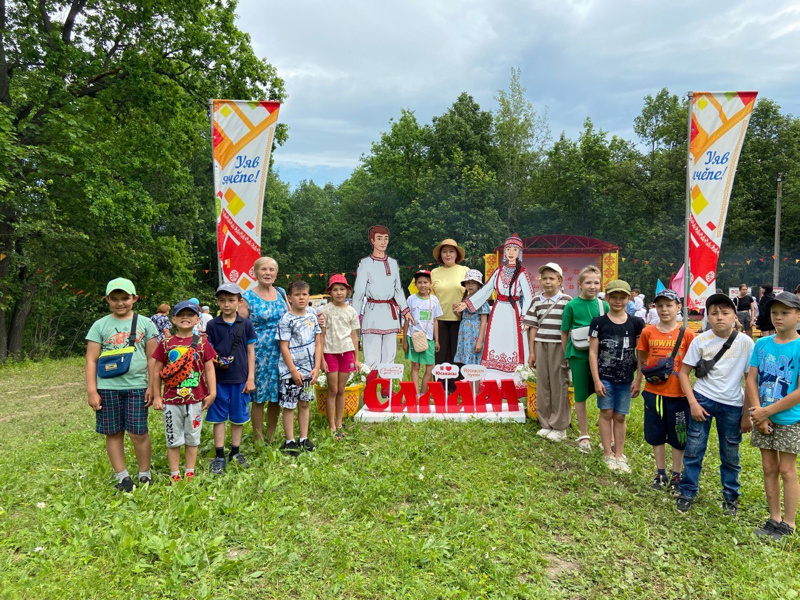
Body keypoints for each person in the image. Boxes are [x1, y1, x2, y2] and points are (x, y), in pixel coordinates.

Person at [675, 293, 754, 514]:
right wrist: (693, 403)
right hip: (703, 399)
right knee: (694, 449)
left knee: (730, 453)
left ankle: (730, 498)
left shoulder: (746, 343)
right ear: (707, 317)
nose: (719, 317)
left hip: (732, 404)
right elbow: (683, 373)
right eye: (714, 313)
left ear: (734, 316)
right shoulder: (701, 340)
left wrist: (746, 415)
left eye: (725, 313)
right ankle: (687, 492)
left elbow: (750, 380)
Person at [86, 278, 159, 492]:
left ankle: (144, 474)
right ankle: (123, 477)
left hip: (137, 386)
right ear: (107, 299)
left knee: (139, 432)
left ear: (134, 298)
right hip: (107, 388)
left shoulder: (146, 323)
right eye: (115, 299)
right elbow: (92, 359)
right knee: (114, 432)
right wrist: (92, 390)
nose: (120, 303)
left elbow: (153, 358)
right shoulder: (100, 325)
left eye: (125, 298)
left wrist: (153, 386)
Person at [748, 292, 800, 540]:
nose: (778, 317)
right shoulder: (762, 344)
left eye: (785, 312)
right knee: (768, 467)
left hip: (789, 419)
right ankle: (774, 518)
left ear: (798, 315)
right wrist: (759, 413)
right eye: (774, 313)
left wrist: (766, 412)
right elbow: (751, 379)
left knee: (787, 469)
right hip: (762, 417)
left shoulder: (799, 347)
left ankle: (789, 524)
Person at [636, 289, 695, 491]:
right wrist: (638, 382)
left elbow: (692, 363)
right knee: (656, 434)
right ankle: (660, 473)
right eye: (660, 305)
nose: (664, 309)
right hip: (654, 392)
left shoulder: (687, 334)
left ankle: (676, 474)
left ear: (678, 307)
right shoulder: (647, 332)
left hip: (679, 394)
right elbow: (642, 359)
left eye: (669, 305)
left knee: (679, 436)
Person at [453, 234, 532, 384]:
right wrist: (467, 303)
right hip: (498, 312)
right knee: (495, 342)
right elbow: (486, 290)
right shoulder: (499, 270)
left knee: (513, 343)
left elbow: (529, 297)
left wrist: (525, 317)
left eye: (514, 249)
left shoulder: (522, 272)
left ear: (519, 252)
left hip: (514, 312)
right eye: (508, 249)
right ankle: (492, 381)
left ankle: (515, 381)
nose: (510, 252)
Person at [152, 301, 217, 483]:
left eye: (190, 315)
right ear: (173, 319)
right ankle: (175, 473)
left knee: (193, 437)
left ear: (198, 319)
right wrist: (157, 396)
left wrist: (212, 392)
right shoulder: (166, 344)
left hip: (196, 399)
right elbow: (157, 371)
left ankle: (189, 471)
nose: (185, 318)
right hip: (171, 400)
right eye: (181, 315)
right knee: (173, 437)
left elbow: (209, 369)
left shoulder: (202, 343)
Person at [589, 280, 644, 472]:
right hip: (605, 377)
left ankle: (619, 454)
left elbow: (641, 352)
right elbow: (593, 352)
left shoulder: (636, 323)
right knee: (606, 413)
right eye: (614, 297)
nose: (618, 301)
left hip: (627, 378)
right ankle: (607, 453)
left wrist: (639, 379)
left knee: (620, 416)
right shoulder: (598, 322)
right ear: (607, 298)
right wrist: (596, 380)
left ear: (629, 298)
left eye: (622, 297)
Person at [352, 226, 412, 395]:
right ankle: (370, 390)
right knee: (372, 356)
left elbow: (398, 290)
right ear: (372, 240)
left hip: (390, 312)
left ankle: (387, 389)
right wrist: (354, 316)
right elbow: (359, 291)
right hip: (372, 312)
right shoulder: (365, 263)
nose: (383, 242)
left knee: (389, 353)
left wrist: (406, 310)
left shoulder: (393, 263)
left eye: (386, 238)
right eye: (379, 238)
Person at [206, 283, 257, 474]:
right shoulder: (212, 325)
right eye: (222, 300)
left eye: (231, 300)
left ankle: (235, 451)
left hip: (240, 379)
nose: (226, 304)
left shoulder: (246, 324)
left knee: (238, 417)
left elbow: (251, 351)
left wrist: (250, 378)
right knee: (219, 418)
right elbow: (207, 354)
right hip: (218, 380)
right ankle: (219, 455)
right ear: (217, 302)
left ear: (239, 302)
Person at [560, 265, 609, 453]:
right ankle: (584, 434)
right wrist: (566, 354)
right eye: (588, 282)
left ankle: (608, 434)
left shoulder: (602, 305)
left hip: (600, 356)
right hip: (578, 354)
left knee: (604, 392)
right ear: (580, 284)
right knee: (580, 394)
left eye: (596, 282)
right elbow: (564, 332)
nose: (592, 286)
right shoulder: (572, 305)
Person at [240, 256, 288, 446]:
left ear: (276, 274)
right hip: (258, 353)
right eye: (263, 270)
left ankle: (271, 434)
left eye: (271, 270)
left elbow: (292, 317)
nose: (267, 273)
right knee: (259, 397)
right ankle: (259, 438)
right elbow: (240, 327)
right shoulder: (247, 297)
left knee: (277, 396)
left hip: (281, 351)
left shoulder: (282, 293)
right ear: (255, 273)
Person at [523, 262, 572, 442]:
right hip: (541, 345)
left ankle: (560, 426)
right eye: (544, 278)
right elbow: (532, 328)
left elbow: (570, 328)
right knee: (543, 383)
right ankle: (546, 423)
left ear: (560, 280)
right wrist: (532, 352)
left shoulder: (567, 301)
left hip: (559, 346)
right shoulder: (536, 301)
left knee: (560, 384)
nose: (548, 282)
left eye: (552, 278)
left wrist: (568, 351)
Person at [276, 280, 322, 455]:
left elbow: (318, 343)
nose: (301, 298)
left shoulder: (312, 317)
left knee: (304, 404)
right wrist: (293, 371)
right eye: (297, 295)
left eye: (304, 294)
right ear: (289, 298)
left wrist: (316, 367)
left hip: (309, 372)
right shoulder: (286, 319)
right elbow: (284, 347)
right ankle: (290, 441)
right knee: (289, 405)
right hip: (291, 372)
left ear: (308, 296)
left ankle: (303, 438)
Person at [319, 274, 361, 438]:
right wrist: (321, 359)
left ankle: (339, 422)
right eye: (335, 290)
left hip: (347, 353)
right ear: (330, 292)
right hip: (330, 353)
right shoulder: (325, 311)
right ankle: (331, 425)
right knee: (333, 389)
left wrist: (356, 359)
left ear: (347, 291)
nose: (339, 293)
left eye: (342, 289)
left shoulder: (351, 311)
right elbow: (321, 336)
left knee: (341, 389)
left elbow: (354, 335)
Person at [403, 270, 443, 395]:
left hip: (429, 338)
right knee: (415, 367)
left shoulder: (434, 300)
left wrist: (437, 340)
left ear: (430, 283)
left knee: (430, 368)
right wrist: (405, 341)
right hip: (413, 337)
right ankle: (414, 395)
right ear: (415, 284)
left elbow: (435, 320)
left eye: (425, 282)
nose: (422, 285)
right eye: (419, 282)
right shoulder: (411, 299)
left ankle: (423, 394)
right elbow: (406, 320)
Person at [431, 239, 469, 366]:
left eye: (451, 251)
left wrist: (464, 305)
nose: (448, 255)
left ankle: (457, 385)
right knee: (440, 354)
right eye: (445, 252)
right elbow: (430, 297)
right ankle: (440, 385)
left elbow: (473, 292)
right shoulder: (434, 273)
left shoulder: (465, 271)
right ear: (440, 255)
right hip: (439, 320)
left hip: (460, 319)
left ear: (456, 254)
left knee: (457, 355)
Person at [453, 269, 490, 381]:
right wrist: (455, 311)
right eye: (468, 283)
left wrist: (479, 342)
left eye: (473, 283)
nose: (470, 285)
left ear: (479, 285)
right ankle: (468, 388)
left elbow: (484, 321)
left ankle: (476, 387)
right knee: (466, 361)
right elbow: (461, 317)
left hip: (475, 333)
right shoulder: (465, 299)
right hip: (464, 332)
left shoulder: (481, 300)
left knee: (475, 361)